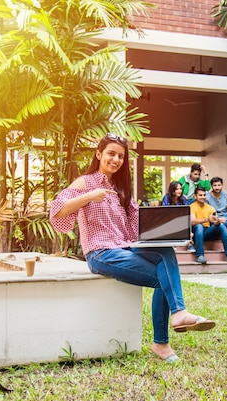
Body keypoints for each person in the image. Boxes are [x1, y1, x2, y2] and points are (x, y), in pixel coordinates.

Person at [49, 133, 216, 363]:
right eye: (110, 154)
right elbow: (57, 211)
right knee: (162, 276)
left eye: (120, 156)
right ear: (99, 154)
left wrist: (175, 234)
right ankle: (162, 342)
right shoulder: (86, 182)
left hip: (126, 246)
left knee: (165, 251)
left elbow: (141, 223)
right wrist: (89, 196)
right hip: (100, 252)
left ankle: (178, 314)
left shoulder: (122, 189)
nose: (115, 159)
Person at [190, 186, 227, 264]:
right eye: (200, 195)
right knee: (199, 226)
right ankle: (200, 256)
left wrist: (217, 222)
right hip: (196, 234)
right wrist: (207, 219)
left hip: (207, 232)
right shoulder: (192, 207)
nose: (203, 197)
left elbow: (215, 221)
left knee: (222, 226)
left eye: (204, 195)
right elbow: (192, 222)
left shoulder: (210, 208)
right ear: (195, 196)